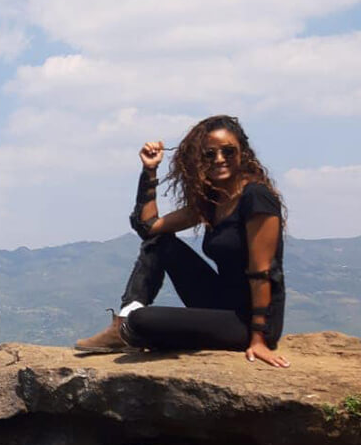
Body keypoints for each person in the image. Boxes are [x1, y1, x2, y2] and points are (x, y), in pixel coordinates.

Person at [74, 115, 290, 368]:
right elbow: (149, 227)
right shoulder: (214, 200)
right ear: (200, 160)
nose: (220, 159)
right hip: (220, 303)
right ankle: (122, 325)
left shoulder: (256, 197)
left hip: (250, 319)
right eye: (210, 154)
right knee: (160, 242)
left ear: (243, 152)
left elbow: (262, 272)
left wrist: (258, 339)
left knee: (143, 320)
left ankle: (133, 328)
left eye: (228, 151)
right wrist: (150, 170)